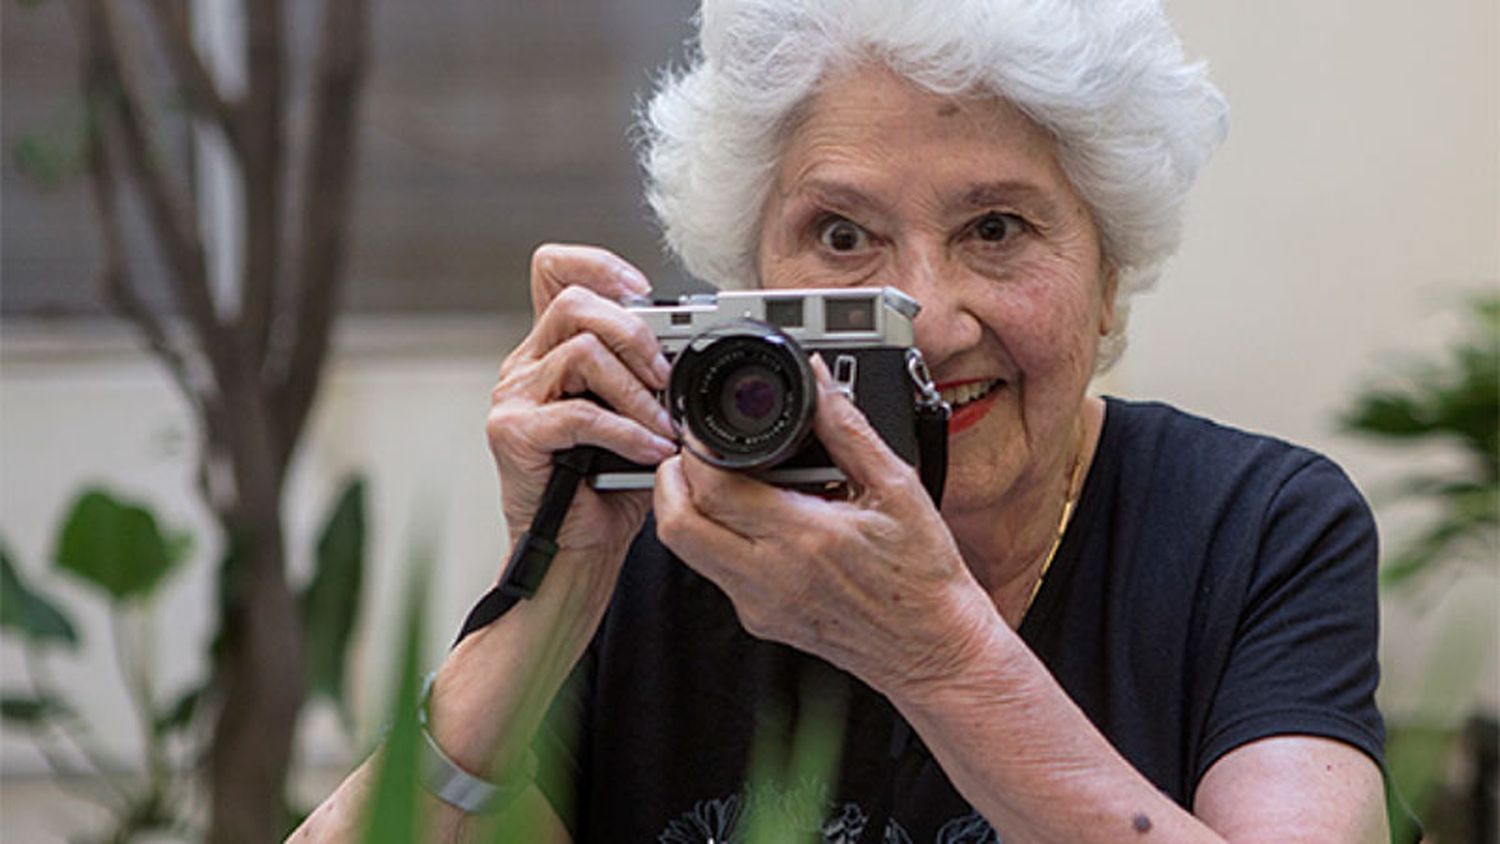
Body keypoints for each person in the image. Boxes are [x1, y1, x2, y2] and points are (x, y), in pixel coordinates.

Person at [292, 0, 1394, 840]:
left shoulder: (1256, 529)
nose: (925, 318)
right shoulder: (672, 538)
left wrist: (939, 654)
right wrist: (555, 586)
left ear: (1110, 276)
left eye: (997, 228)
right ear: (747, 281)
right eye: (840, 237)